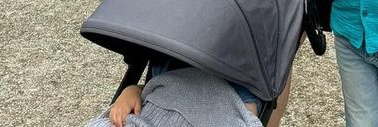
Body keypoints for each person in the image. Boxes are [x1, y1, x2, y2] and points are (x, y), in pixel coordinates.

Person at [89, 65, 262, 127]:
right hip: (156, 105)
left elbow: (247, 113)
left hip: (224, 98)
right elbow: (150, 89)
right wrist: (131, 91)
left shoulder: (242, 77)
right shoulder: (167, 58)